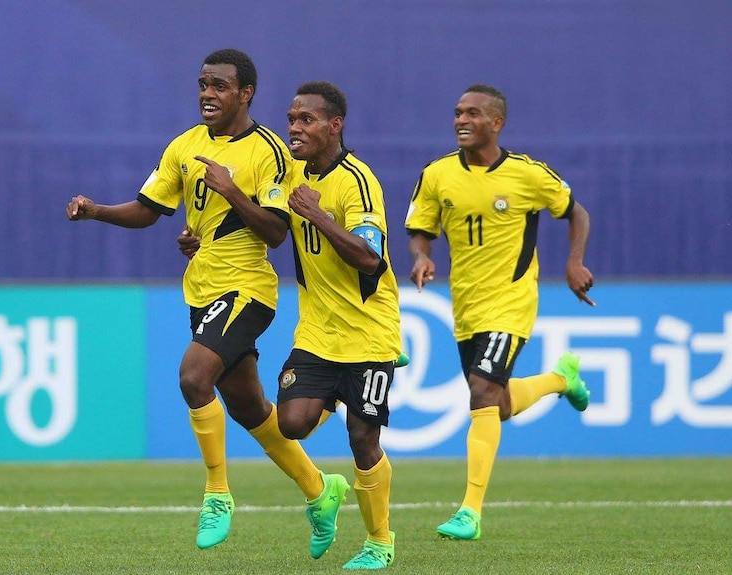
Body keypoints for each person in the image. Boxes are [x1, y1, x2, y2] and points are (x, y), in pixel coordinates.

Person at [66, 48, 347, 555]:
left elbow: (277, 232)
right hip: (201, 289)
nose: (207, 94)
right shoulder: (184, 145)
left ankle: (218, 494)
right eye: (202, 84)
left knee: (194, 377)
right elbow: (149, 210)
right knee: (250, 410)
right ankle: (319, 489)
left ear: (246, 94)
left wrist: (231, 190)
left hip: (248, 291)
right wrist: (97, 211)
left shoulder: (269, 151)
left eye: (219, 86)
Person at [405, 84, 594, 541]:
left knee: (481, 391)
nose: (461, 120)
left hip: (511, 301)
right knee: (498, 403)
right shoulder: (437, 174)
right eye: (457, 113)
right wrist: (421, 256)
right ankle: (560, 380)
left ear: (497, 123)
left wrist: (573, 263)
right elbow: (420, 228)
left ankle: (470, 511)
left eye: (472, 113)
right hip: (465, 306)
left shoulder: (528, 175)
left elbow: (576, 213)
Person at [279, 81, 402, 570]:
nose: (294, 128)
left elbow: (369, 258)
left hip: (368, 331)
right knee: (292, 423)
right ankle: (326, 488)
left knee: (361, 437)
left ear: (335, 125)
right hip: (316, 330)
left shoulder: (358, 181)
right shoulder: (288, 173)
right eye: (291, 119)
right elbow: (266, 220)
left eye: (306, 120)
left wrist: (318, 214)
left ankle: (379, 541)